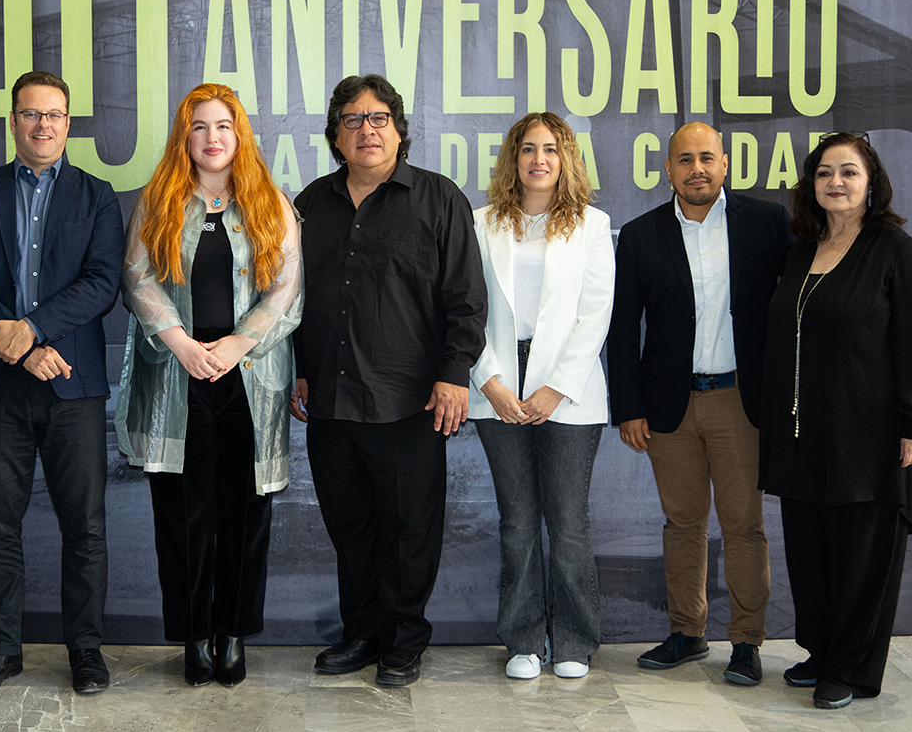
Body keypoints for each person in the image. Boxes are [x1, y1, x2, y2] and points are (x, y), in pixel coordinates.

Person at [290, 73, 487, 688]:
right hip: (327, 396)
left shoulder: (438, 198)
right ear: (336, 136)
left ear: (399, 131)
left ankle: (403, 641)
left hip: (409, 400)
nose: (366, 130)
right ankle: (362, 634)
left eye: (378, 118)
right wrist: (299, 370)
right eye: (353, 119)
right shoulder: (310, 204)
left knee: (409, 529)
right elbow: (289, 298)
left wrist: (455, 375)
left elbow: (465, 298)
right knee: (350, 528)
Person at [115, 84, 302, 687]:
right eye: (199, 127)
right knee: (182, 517)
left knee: (246, 518)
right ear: (184, 136)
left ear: (240, 134)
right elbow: (137, 279)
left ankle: (233, 636)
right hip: (179, 375)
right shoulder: (159, 201)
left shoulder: (272, 204)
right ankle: (194, 638)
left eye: (224, 125)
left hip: (249, 376)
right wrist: (182, 344)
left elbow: (287, 289)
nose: (212, 137)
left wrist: (238, 344)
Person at [0, 70, 123, 695]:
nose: (42, 124)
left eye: (54, 114)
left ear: (69, 123)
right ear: (12, 121)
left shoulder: (97, 196)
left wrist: (36, 329)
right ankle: (0, 651)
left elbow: (103, 283)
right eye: (30, 113)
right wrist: (22, 350)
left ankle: (86, 651)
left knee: (87, 527)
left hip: (73, 384)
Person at [758, 132, 912, 710]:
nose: (835, 182)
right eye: (823, 173)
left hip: (869, 436)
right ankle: (820, 650)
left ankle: (852, 666)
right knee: (811, 550)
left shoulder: (894, 249)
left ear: (871, 183)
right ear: (810, 185)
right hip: (800, 435)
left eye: (849, 172)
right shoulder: (799, 249)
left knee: (863, 552)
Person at [607, 121, 791, 684]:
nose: (697, 170)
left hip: (741, 399)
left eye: (707, 158)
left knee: (742, 525)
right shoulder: (640, 235)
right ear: (668, 170)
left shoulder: (767, 224)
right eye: (685, 160)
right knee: (682, 522)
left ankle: (746, 641)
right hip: (670, 406)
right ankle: (687, 633)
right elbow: (622, 329)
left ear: (726, 164)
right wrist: (629, 407)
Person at [468, 113, 615, 680]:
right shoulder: (481, 224)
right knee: (518, 521)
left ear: (566, 158)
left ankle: (575, 640)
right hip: (499, 384)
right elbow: (465, 310)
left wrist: (555, 388)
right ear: (512, 158)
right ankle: (524, 639)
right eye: (527, 149)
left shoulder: (592, 225)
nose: (539, 159)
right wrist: (492, 382)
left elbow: (594, 312)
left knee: (569, 522)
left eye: (551, 149)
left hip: (568, 391)